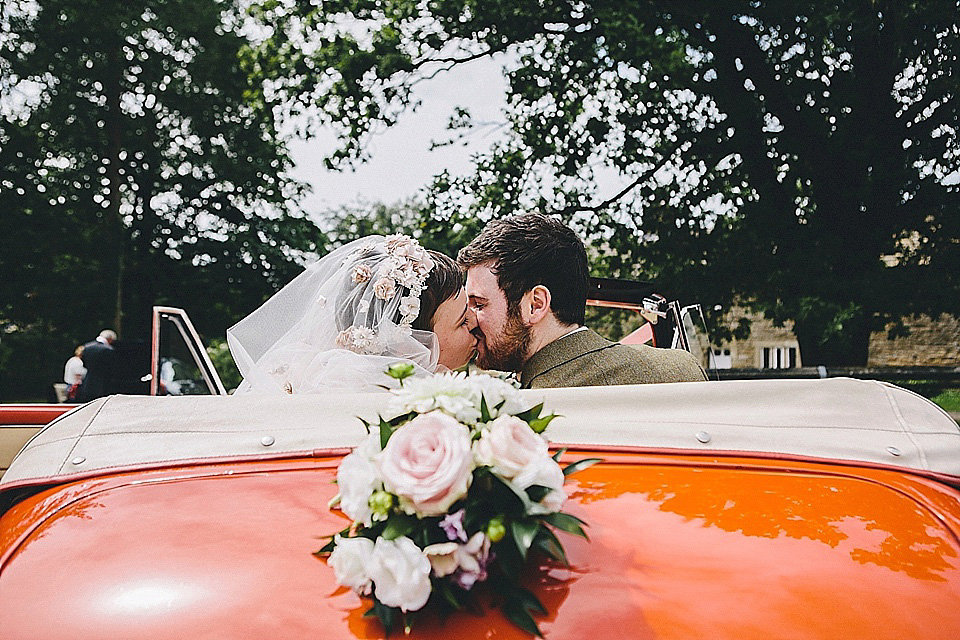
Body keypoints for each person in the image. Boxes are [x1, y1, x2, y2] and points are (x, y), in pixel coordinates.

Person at [457, 213, 707, 389]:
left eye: (479, 304)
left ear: (535, 304)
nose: (469, 319)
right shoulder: (681, 368)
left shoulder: (526, 418)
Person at [228, 235, 477, 394]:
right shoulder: (403, 407)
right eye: (463, 321)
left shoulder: (321, 381)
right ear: (407, 344)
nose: (476, 322)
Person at [76, 329, 118, 402]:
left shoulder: (87, 347)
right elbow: (111, 368)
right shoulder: (108, 349)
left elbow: (84, 364)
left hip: (88, 383)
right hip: (102, 384)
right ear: (110, 339)